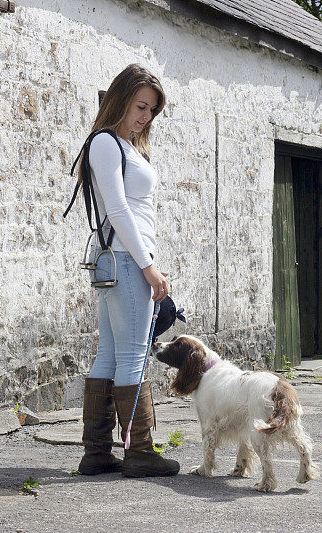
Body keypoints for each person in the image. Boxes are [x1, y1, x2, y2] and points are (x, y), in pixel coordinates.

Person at [76, 64, 179, 478]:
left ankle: (97, 452)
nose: (145, 116)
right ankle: (139, 451)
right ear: (119, 99)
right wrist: (149, 267)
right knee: (133, 355)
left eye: (151, 110)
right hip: (126, 261)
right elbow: (118, 210)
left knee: (110, 353)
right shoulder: (106, 143)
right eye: (140, 106)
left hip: (120, 262)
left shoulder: (125, 145)